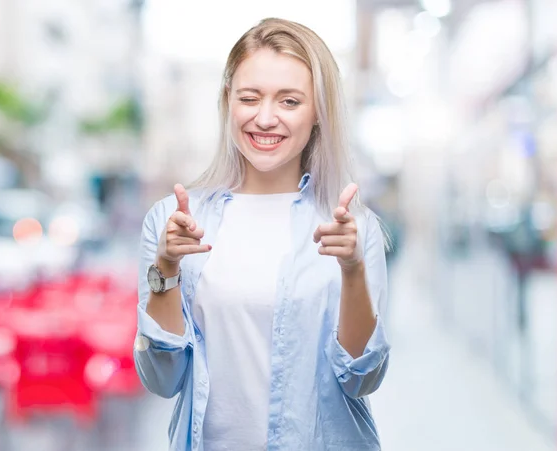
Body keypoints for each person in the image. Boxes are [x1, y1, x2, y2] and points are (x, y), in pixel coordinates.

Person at [134, 17, 390, 451]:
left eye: (289, 101)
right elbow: (162, 379)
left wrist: (351, 270)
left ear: (318, 115)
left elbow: (362, 379)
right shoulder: (171, 221)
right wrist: (166, 268)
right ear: (227, 103)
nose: (265, 118)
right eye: (249, 98)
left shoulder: (352, 228)